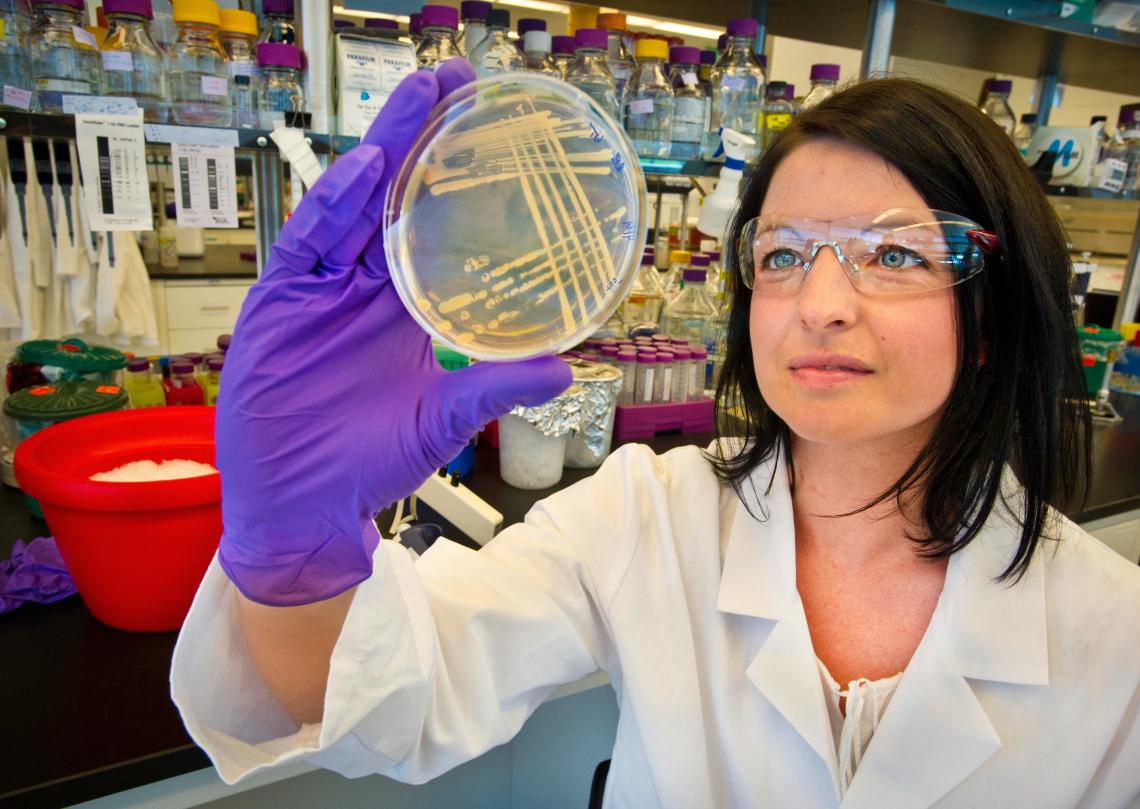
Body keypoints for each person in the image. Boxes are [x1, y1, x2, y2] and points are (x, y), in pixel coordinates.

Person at [171, 59, 1140, 807]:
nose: (822, 303)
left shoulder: (1118, 634)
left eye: (894, 252)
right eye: (786, 252)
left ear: (997, 310)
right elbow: (373, 699)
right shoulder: (646, 515)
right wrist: (292, 543)